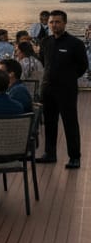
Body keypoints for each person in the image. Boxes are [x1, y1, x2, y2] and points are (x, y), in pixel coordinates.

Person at [37, 9, 88, 169]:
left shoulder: (75, 44)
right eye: (51, 22)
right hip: (47, 89)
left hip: (66, 90)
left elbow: (82, 66)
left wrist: (69, 78)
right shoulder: (45, 42)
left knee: (70, 123)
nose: (54, 25)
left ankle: (74, 157)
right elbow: (43, 62)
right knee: (50, 123)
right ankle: (49, 153)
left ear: (65, 23)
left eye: (57, 22)